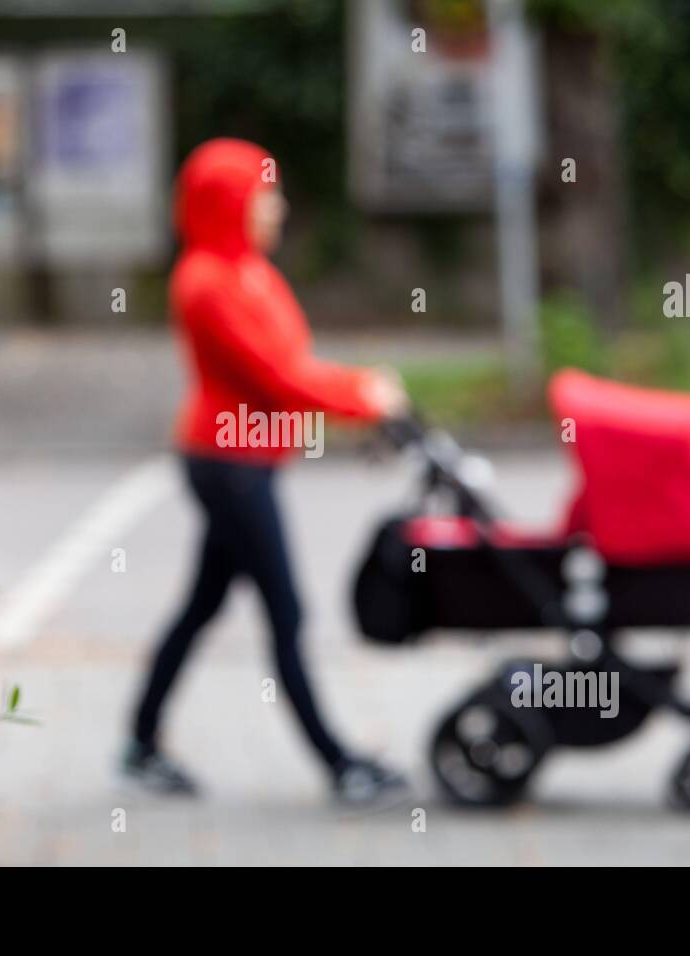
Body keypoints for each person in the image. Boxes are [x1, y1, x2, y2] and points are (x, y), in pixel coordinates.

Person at [123, 138, 410, 806]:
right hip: (228, 466)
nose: (277, 208)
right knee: (287, 612)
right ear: (231, 203)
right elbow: (278, 380)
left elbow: (297, 366)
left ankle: (139, 742)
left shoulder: (250, 271)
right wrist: (363, 398)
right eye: (265, 195)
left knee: (201, 607)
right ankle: (339, 763)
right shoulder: (206, 284)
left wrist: (359, 387)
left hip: (247, 460)